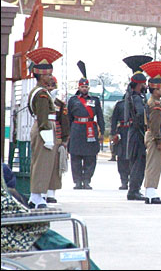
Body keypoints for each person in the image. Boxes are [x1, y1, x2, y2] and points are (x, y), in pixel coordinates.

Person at [25, 48, 62, 209]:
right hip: (44, 130)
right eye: (47, 75)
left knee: (45, 164)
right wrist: (47, 135)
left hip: (45, 128)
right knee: (41, 164)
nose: (49, 77)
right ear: (40, 75)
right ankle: (36, 196)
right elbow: (42, 117)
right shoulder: (41, 94)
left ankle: (38, 196)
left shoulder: (43, 93)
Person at [140, 61, 161, 204]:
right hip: (155, 137)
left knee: (153, 164)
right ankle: (151, 192)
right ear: (154, 90)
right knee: (154, 164)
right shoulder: (155, 105)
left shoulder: (154, 103)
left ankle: (150, 191)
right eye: (160, 89)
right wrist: (159, 140)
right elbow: (155, 125)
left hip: (153, 136)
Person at [67, 61, 105, 191]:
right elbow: (69, 118)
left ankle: (87, 180)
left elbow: (100, 116)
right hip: (77, 129)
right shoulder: (73, 100)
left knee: (90, 157)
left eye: (86, 87)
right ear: (79, 87)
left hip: (90, 130)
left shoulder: (95, 100)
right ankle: (77, 181)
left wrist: (102, 131)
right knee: (76, 157)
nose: (84, 89)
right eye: (82, 87)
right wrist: (68, 133)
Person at [123, 55, 153, 201]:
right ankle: (134, 190)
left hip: (134, 131)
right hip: (137, 132)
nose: (146, 86)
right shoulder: (136, 98)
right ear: (139, 84)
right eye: (144, 83)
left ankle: (134, 189)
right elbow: (141, 114)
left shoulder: (133, 96)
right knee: (138, 162)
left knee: (137, 161)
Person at [46, 76, 69, 203]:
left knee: (55, 167)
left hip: (56, 136)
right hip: (43, 135)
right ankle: (41, 192)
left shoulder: (60, 104)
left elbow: (64, 122)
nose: (50, 88)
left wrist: (64, 140)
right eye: (48, 86)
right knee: (43, 166)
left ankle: (51, 193)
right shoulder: (41, 100)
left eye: (53, 86)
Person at [111, 96, 130, 190]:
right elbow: (114, 119)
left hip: (135, 131)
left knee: (135, 157)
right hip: (123, 131)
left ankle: (134, 182)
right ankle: (124, 181)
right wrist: (113, 133)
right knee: (121, 157)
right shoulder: (120, 105)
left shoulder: (140, 103)